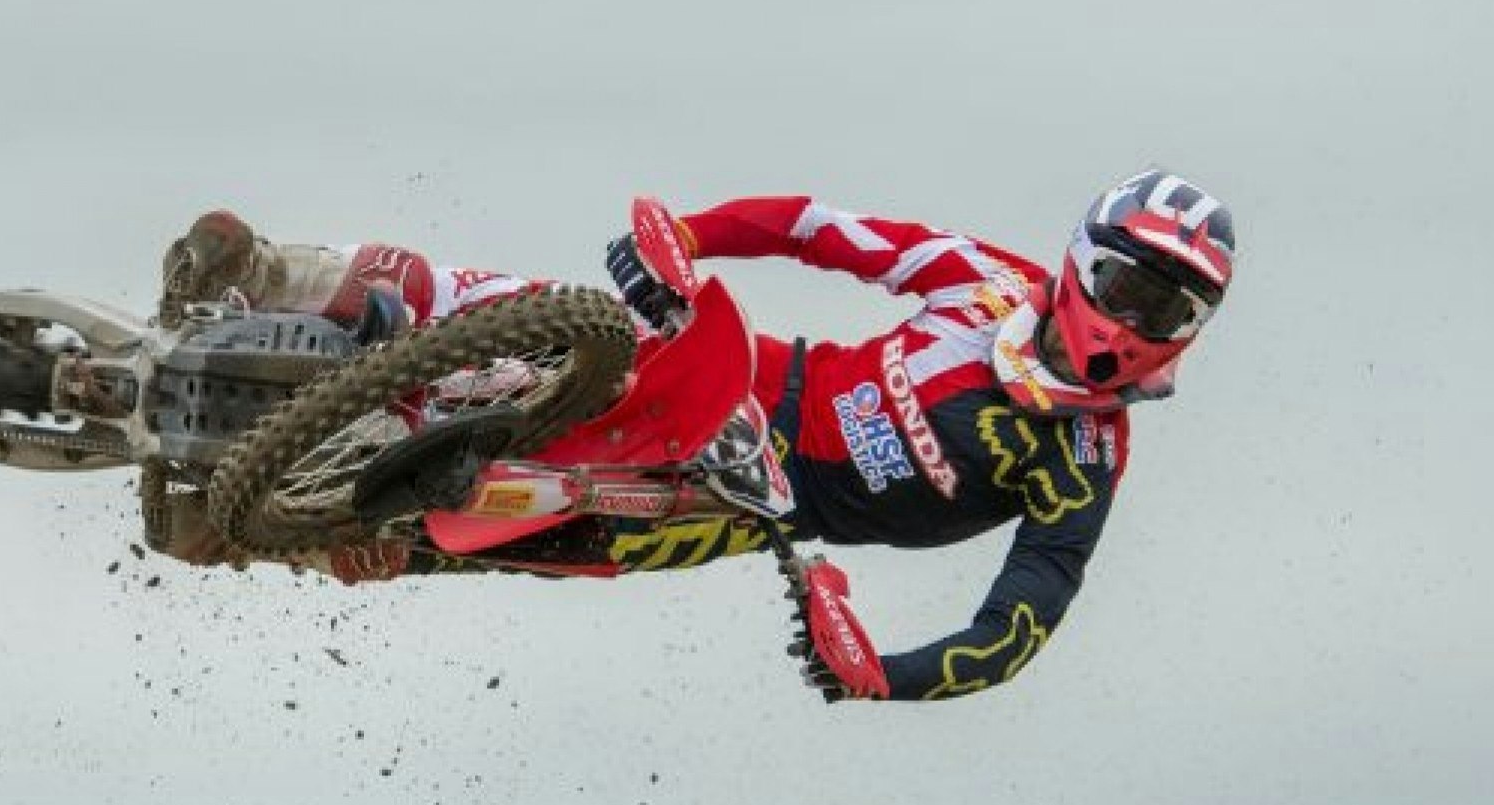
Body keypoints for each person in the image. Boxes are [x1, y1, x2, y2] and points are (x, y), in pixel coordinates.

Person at [154, 169, 1238, 701]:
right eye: (1127, 287)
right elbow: (819, 230)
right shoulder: (986, 280)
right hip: (746, 370)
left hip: (750, 503)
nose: (1133, 322)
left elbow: (1017, 626)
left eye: (1167, 309)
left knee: (512, 532)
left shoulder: (1083, 460)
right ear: (1082, 262)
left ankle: (246, 533)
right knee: (528, 303)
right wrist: (688, 236)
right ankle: (269, 270)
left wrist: (883, 675)